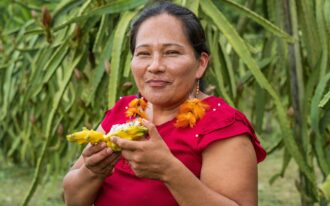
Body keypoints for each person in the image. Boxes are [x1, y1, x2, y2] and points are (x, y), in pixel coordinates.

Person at [63, 1, 266, 206]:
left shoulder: (223, 126)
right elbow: (72, 199)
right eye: (143, 54)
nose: (155, 66)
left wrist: (169, 171)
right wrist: (92, 171)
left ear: (200, 64)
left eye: (171, 52)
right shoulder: (122, 112)